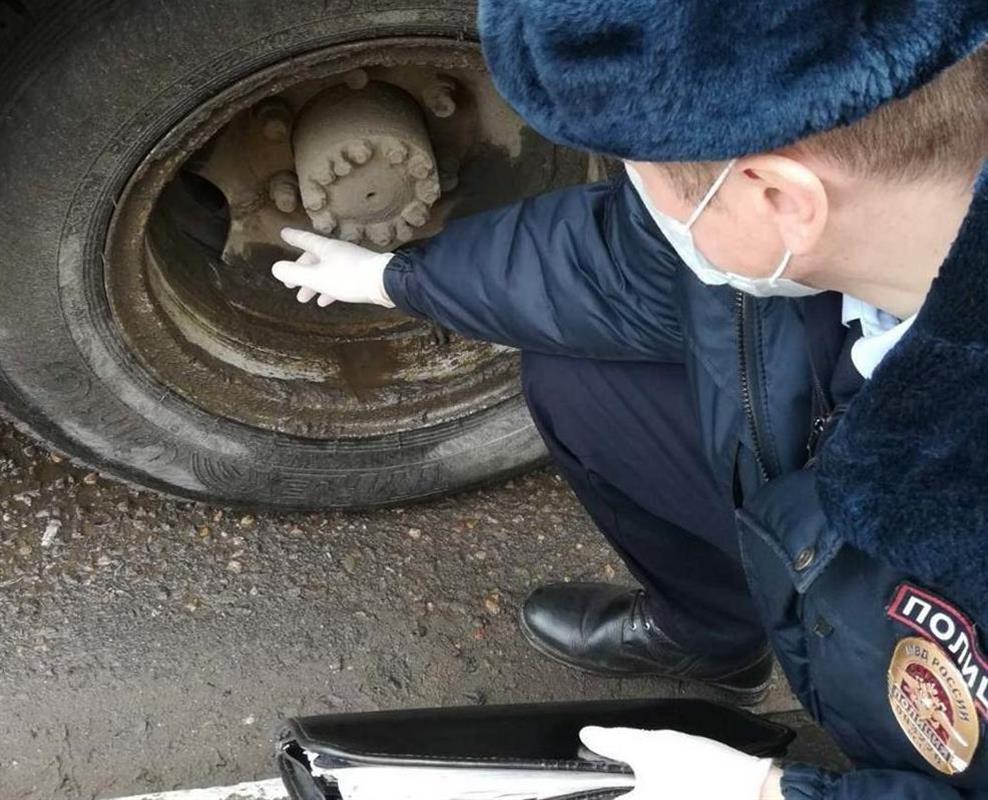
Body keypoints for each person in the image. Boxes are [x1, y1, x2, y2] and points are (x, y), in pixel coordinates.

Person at [270, 2, 988, 797]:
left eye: (651, 183)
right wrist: (399, 278)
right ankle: (717, 634)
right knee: (581, 380)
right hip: (835, 555)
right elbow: (621, 258)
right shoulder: (889, 192)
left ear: (780, 201)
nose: (646, 206)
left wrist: (768, 792)